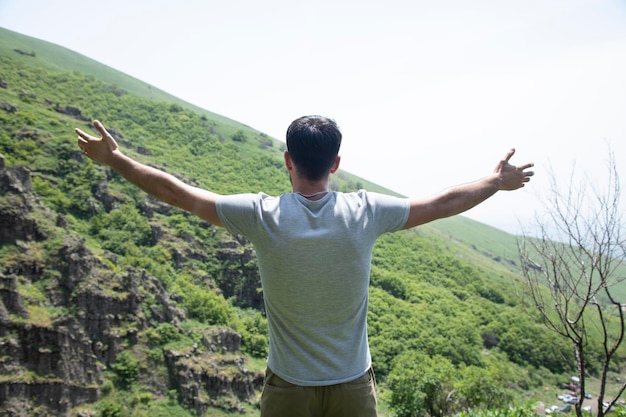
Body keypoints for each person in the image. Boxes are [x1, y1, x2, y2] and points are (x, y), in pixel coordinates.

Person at [75, 116, 534, 417]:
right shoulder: (366, 212)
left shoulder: (261, 214)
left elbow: (177, 192)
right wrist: (495, 181)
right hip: (353, 388)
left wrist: (115, 158)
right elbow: (443, 203)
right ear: (335, 163)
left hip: (287, 389)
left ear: (288, 162)